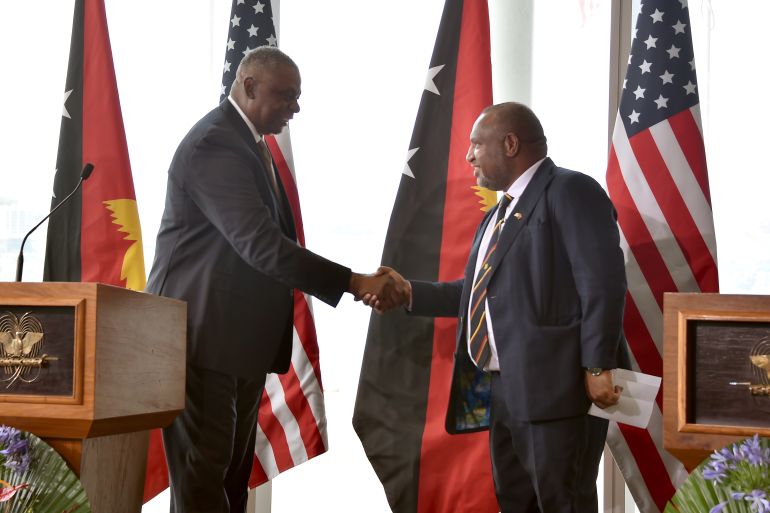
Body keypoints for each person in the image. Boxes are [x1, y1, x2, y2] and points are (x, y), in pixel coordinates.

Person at [145, 46, 399, 513]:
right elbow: (260, 244)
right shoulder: (214, 144)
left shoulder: (251, 145)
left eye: (297, 97)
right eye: (286, 95)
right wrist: (354, 282)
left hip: (234, 344)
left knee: (231, 477)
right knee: (204, 478)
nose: (295, 107)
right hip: (200, 340)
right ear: (248, 86)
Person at [367, 102, 629, 513]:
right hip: (503, 390)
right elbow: (475, 293)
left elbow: (602, 283)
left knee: (563, 502)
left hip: (558, 391)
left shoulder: (571, 190)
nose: (468, 156)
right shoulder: (495, 215)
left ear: (510, 144)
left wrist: (597, 365)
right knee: (515, 502)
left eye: (476, 144)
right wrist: (408, 292)